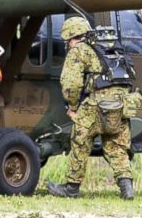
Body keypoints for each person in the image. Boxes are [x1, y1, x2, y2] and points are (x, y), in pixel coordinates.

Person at [44, 16, 134, 200]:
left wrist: (73, 106)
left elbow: (71, 83)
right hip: (121, 104)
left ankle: (71, 188)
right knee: (116, 145)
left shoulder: (79, 50)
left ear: (72, 37)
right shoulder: (112, 48)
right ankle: (127, 188)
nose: (68, 44)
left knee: (80, 141)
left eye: (68, 41)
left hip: (95, 104)